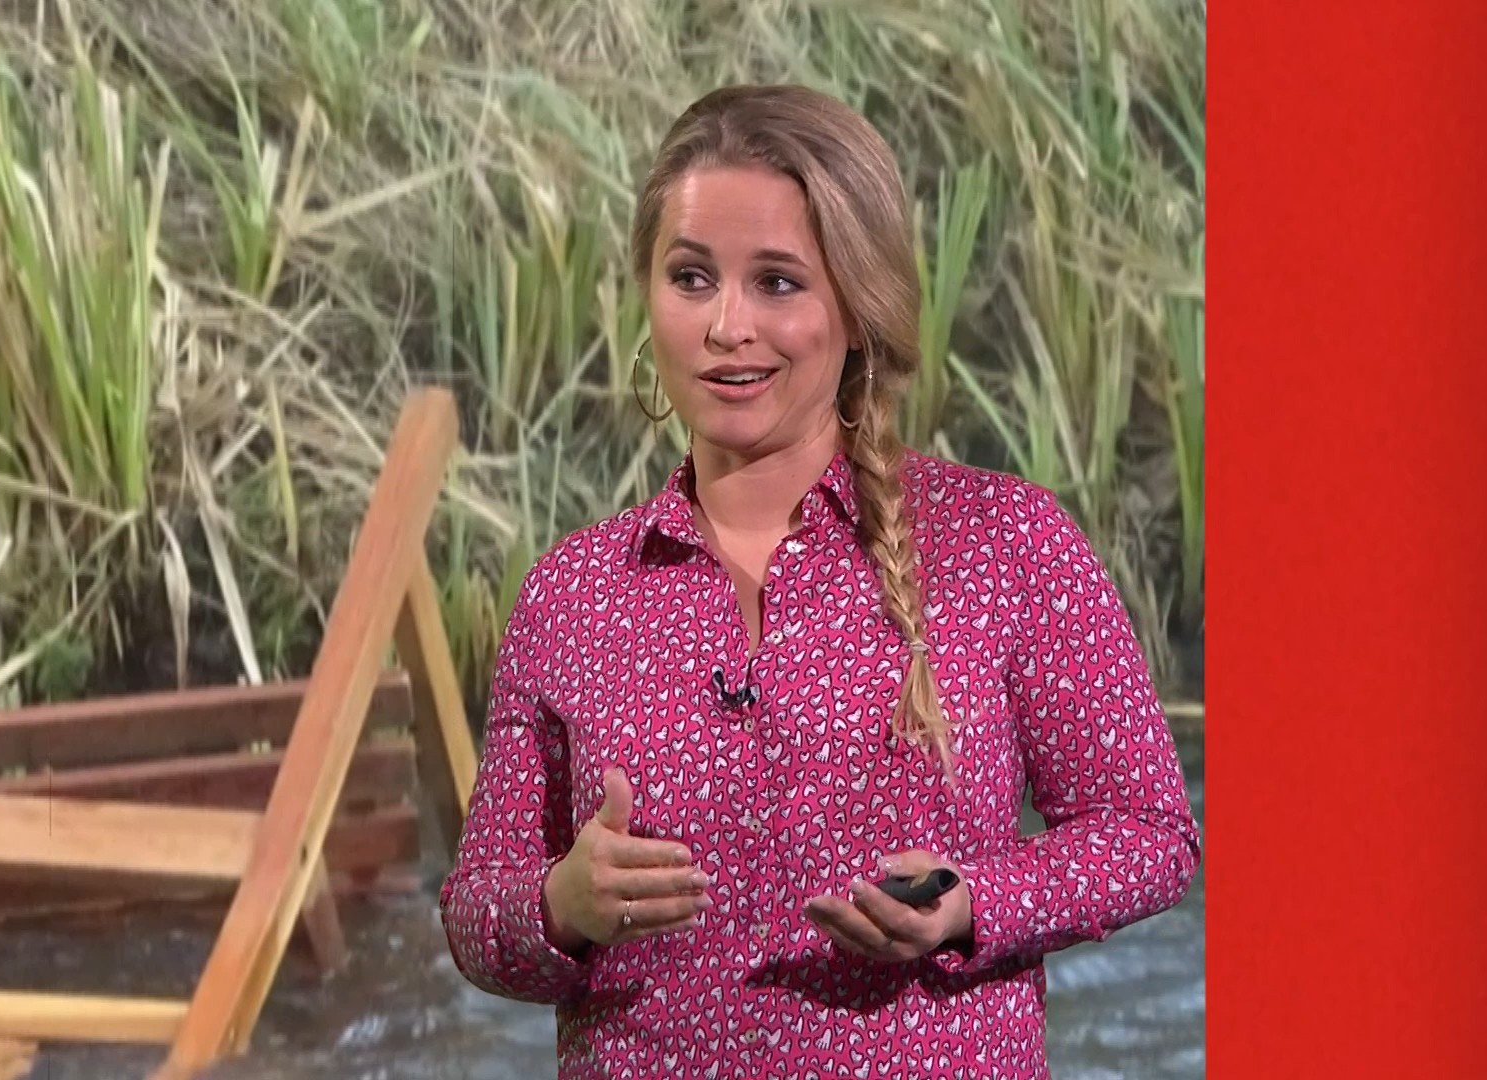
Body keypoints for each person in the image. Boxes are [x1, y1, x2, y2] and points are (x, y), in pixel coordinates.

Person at [438, 83, 1200, 1078]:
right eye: (691, 277)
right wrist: (562, 906)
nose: (727, 325)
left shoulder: (1005, 542)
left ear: (857, 303)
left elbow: (1149, 835)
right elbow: (476, 911)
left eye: (778, 283)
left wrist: (973, 902)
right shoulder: (572, 593)